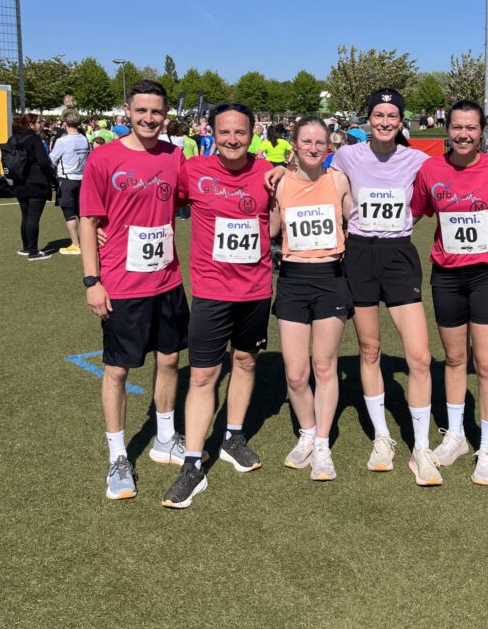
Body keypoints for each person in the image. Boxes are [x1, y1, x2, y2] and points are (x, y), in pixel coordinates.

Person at [79, 80, 190, 501]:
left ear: (165, 115)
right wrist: (92, 281)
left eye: (156, 112)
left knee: (170, 359)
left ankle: (165, 438)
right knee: (118, 370)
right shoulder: (104, 157)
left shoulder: (174, 156)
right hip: (121, 284)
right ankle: (118, 458)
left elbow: (192, 196)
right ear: (127, 110)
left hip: (168, 280)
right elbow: (89, 221)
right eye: (141, 110)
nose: (149, 118)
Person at [161, 102, 273, 508]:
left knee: (245, 362)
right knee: (203, 376)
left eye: (240, 132)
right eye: (224, 132)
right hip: (211, 291)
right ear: (212, 133)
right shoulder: (193, 171)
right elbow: (157, 205)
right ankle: (192, 463)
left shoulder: (269, 172)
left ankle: (233, 437)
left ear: (252, 132)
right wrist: (107, 230)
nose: (232, 139)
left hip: (257, 290)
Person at [411, 100, 488, 485]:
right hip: (446, 277)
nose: (463, 134)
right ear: (448, 129)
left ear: (482, 132)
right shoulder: (430, 170)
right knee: (454, 358)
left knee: (487, 363)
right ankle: (456, 435)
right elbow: (416, 212)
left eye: (471, 128)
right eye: (457, 127)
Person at [328, 88, 440, 486]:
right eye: (379, 114)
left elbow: (454, 172)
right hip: (359, 254)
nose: (385, 121)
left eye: (393, 115)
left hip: (398, 255)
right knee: (370, 349)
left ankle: (421, 448)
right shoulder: (347, 155)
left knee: (420, 357)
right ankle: (381, 438)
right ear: (369, 118)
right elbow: (317, 178)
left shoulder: (418, 160)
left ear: (401, 120)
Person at [271, 116, 353, 482]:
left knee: (324, 365)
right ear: (294, 144)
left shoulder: (338, 180)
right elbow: (271, 230)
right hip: (292, 280)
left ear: (329, 147)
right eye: (306, 141)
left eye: (320, 142)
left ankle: (322, 443)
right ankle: (306, 431)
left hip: (330, 279)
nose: (313, 148)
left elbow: (358, 220)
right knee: (295, 373)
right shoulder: (280, 183)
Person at [11, 113, 56, 261]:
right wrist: (52, 178)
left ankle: (26, 247)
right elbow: (44, 163)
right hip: (36, 182)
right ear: (31, 125)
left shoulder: (14, 138)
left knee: (26, 216)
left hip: (19, 182)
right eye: (38, 122)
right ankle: (33, 251)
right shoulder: (34, 139)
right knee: (33, 217)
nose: (41, 124)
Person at [49, 109, 90, 255]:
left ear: (65, 123)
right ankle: (88, 241)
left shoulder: (62, 141)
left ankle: (75, 244)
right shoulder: (84, 139)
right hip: (82, 179)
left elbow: (51, 160)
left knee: (69, 213)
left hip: (66, 179)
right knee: (82, 213)